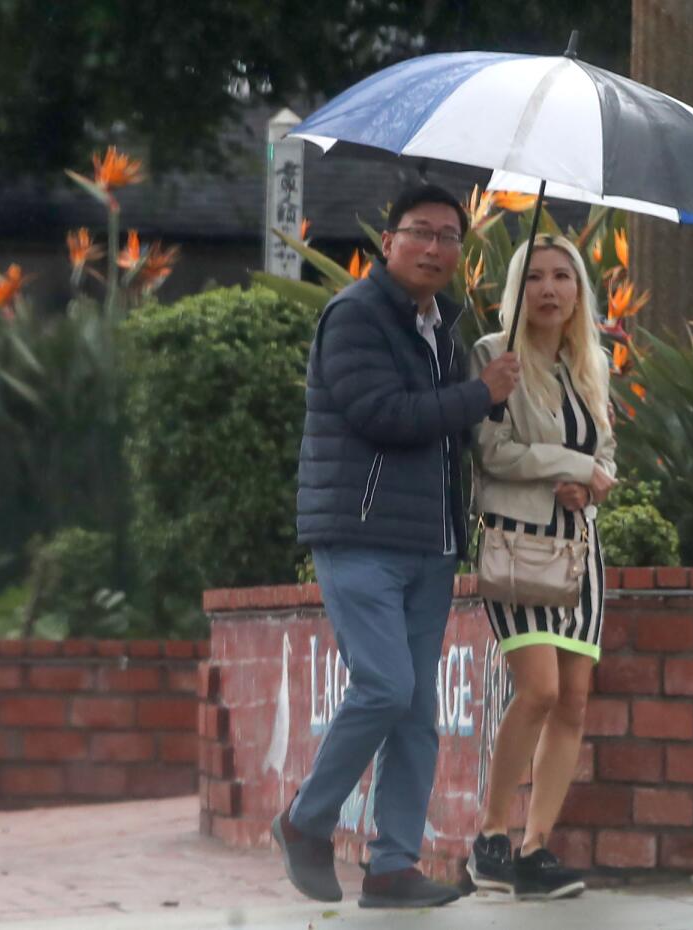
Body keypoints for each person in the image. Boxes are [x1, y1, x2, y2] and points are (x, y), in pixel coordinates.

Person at [274, 183, 521, 909]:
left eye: (450, 237)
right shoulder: (353, 314)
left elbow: (450, 431)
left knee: (415, 712)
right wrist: (481, 393)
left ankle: (391, 867)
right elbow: (382, 413)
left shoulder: (442, 325)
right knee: (385, 686)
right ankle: (304, 820)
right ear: (388, 242)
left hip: (429, 542)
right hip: (359, 534)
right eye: (421, 232)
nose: (436, 248)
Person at [466, 235, 617, 900]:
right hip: (517, 548)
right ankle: (491, 837)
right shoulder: (492, 357)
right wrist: (572, 467)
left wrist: (591, 483)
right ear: (516, 289)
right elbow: (492, 451)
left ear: (579, 292)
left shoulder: (591, 364)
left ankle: (535, 848)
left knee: (574, 702)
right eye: (535, 278)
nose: (550, 290)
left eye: (563, 278)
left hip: (579, 553)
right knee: (540, 691)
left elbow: (607, 454)